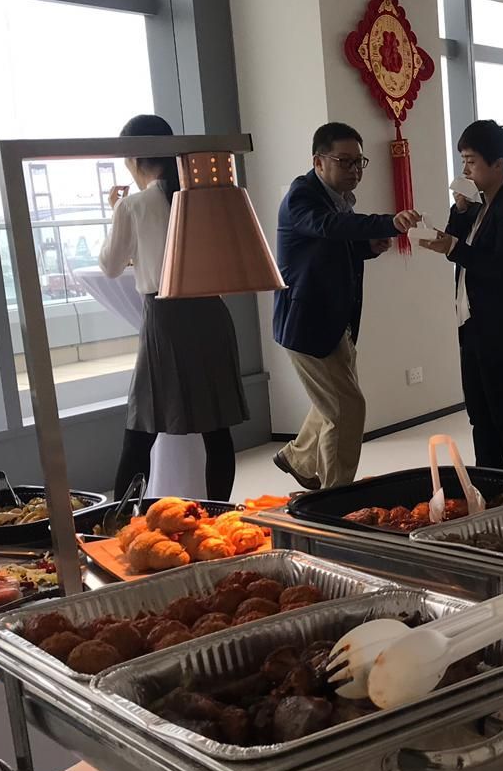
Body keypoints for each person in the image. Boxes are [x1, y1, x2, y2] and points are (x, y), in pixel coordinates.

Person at [101, 114, 248, 502]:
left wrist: (113, 209)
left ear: (133, 159)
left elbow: (110, 265)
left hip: (165, 319)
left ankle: (120, 521)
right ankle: (218, 515)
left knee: (140, 430)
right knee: (217, 431)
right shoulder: (201, 195)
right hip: (210, 314)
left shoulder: (133, 205)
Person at [271, 122, 419, 491]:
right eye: (345, 161)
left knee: (334, 402)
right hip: (306, 322)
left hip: (336, 321)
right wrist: (388, 223)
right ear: (318, 162)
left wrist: (366, 248)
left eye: (359, 162)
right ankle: (336, 498)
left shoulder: (338, 200)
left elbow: (329, 247)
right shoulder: (301, 197)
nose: (355, 170)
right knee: (347, 409)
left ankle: (297, 457)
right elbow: (328, 227)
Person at [419, 121, 503, 473]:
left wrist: (454, 248)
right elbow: (458, 243)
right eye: (463, 160)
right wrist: (458, 210)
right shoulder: (477, 207)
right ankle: (489, 486)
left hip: (502, 328)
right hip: (473, 325)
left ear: (498, 164)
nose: (464, 169)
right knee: (480, 415)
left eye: (471, 161)